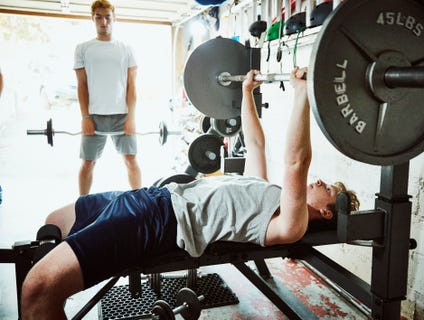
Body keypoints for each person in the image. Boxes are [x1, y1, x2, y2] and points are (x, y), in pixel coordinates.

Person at [20, 67, 359, 319]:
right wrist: (246, 92)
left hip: (159, 220)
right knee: (55, 221)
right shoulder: (267, 192)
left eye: (326, 189)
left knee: (39, 289)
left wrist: (303, 93)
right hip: (150, 197)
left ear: (326, 212)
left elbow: (296, 162)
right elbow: (256, 143)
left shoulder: (289, 224)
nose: (318, 183)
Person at [74, 0, 141, 195]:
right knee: (87, 163)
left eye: (107, 17)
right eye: (99, 17)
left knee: (131, 160)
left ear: (114, 18)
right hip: (94, 116)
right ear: (93, 18)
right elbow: (82, 85)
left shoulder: (126, 48)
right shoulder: (83, 48)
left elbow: (132, 86)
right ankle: (83, 204)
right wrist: (85, 117)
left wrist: (131, 118)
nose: (104, 22)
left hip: (122, 115)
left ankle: (142, 204)